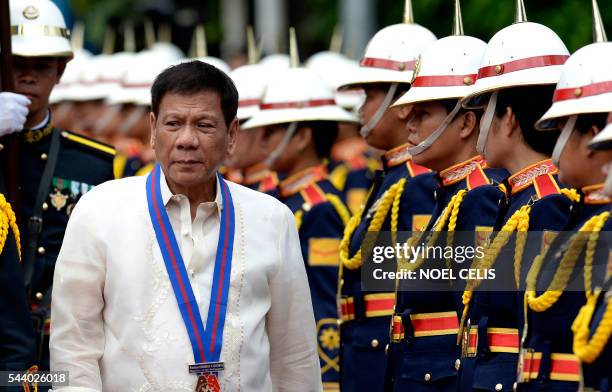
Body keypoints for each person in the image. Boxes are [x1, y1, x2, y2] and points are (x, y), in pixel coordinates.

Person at [49, 60, 321, 391]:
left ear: (232, 134)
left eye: (205, 125)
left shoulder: (272, 219)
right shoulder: (100, 211)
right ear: (153, 129)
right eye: (173, 123)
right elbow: (74, 347)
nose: (187, 140)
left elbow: (294, 356)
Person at [454, 2, 575, 390]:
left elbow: (546, 328)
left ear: (508, 116)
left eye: (484, 107)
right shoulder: (516, 198)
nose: (477, 125)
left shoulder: (549, 205)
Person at [386, 2, 508, 389]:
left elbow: (473, 319)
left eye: (422, 113)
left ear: (466, 122)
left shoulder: (481, 197)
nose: (409, 123)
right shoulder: (447, 193)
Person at [0, 0, 115, 372]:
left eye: (41, 66)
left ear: (60, 71)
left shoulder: (90, 162)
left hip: (61, 347)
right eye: (17, 65)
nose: (28, 77)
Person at [335, 2, 438, 390]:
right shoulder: (393, 176)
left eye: (371, 95)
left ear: (401, 100)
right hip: (366, 351)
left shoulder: (421, 183)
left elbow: (423, 288)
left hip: (390, 355)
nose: (361, 108)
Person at [513, 5, 612, 390]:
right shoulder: (569, 215)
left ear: (590, 135)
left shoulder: (582, 222)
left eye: (562, 127)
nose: (555, 141)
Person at [242, 55, 354, 389]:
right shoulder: (282, 198)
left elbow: (324, 302)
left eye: (271, 132)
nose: (262, 142)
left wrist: (326, 378)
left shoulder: (320, 208)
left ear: (302, 136)